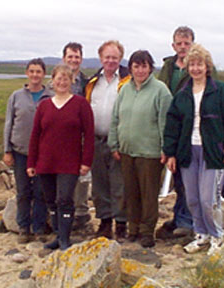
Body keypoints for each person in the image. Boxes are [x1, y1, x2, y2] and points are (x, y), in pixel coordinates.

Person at [163, 44, 224, 255]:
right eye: (192, 64)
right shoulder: (182, 94)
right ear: (188, 67)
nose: (196, 68)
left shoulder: (221, 91)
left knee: (209, 199)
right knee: (192, 199)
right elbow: (172, 126)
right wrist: (170, 153)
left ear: (207, 67)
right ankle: (201, 235)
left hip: (213, 152)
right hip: (188, 152)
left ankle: (217, 236)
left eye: (200, 64)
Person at [108, 50, 172, 248]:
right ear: (131, 68)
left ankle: (147, 232)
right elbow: (115, 118)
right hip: (127, 151)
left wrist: (166, 149)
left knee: (148, 194)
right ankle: (133, 229)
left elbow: (165, 123)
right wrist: (114, 143)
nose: (140, 70)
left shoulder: (161, 91)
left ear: (150, 68)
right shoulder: (124, 89)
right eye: (136, 66)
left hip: (150, 153)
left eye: (144, 66)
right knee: (131, 193)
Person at [27, 64, 94, 250]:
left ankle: (65, 239)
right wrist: (31, 162)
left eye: (66, 79)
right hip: (46, 162)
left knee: (64, 199)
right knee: (51, 201)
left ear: (71, 81)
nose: (62, 82)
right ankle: (57, 236)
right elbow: (35, 136)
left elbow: (89, 135)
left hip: (70, 162)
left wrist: (86, 161)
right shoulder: (44, 106)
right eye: (58, 79)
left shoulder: (81, 104)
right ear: (52, 81)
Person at [3, 58, 52, 244]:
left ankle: (39, 228)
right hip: (20, 151)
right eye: (31, 71)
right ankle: (23, 227)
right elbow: (9, 124)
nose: (35, 75)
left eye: (38, 71)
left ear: (43, 74)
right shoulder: (16, 96)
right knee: (23, 191)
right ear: (26, 73)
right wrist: (7, 150)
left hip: (43, 154)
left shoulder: (50, 96)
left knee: (41, 192)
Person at [86, 40, 130, 241]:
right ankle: (104, 222)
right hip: (95, 140)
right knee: (99, 184)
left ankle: (121, 224)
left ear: (120, 58)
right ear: (100, 58)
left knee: (119, 184)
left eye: (114, 57)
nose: (110, 61)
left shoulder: (128, 81)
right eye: (107, 57)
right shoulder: (93, 82)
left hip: (119, 142)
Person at [156, 26, 195, 240]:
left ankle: (187, 221)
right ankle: (179, 217)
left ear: (192, 44)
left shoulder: (200, 66)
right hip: (170, 126)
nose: (182, 47)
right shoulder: (167, 67)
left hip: (191, 129)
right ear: (173, 45)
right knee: (176, 175)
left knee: (187, 177)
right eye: (179, 43)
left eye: (186, 43)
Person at [62, 42, 91, 230]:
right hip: (60, 137)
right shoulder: (56, 80)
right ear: (64, 58)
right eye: (70, 56)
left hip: (80, 136)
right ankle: (63, 212)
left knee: (82, 177)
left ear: (81, 59)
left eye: (77, 57)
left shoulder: (88, 83)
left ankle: (81, 213)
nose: (73, 60)